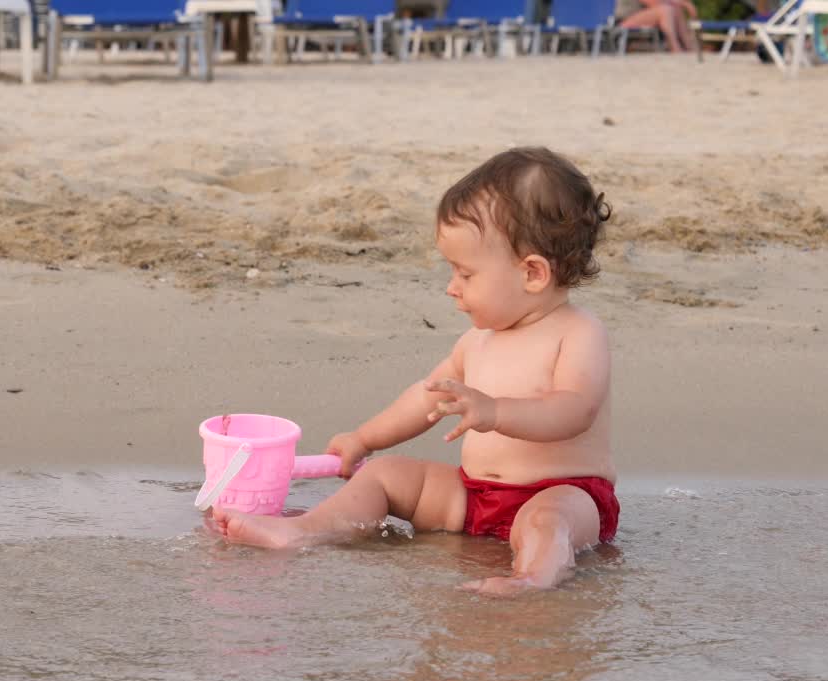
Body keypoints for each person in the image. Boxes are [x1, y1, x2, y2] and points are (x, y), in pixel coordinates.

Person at [213, 147, 620, 596]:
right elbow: (426, 396)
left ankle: (534, 577)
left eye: (466, 274)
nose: (451, 287)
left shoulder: (578, 333)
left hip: (564, 492)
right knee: (386, 474)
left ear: (533, 273)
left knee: (549, 521)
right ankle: (306, 530)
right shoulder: (475, 342)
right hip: (472, 496)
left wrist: (495, 411)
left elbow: (574, 409)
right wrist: (365, 439)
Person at [618, 0, 700, 53]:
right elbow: (654, 3)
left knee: (675, 8)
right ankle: (675, 48)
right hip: (623, 23)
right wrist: (684, 3)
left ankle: (689, 46)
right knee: (665, 10)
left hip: (639, 18)